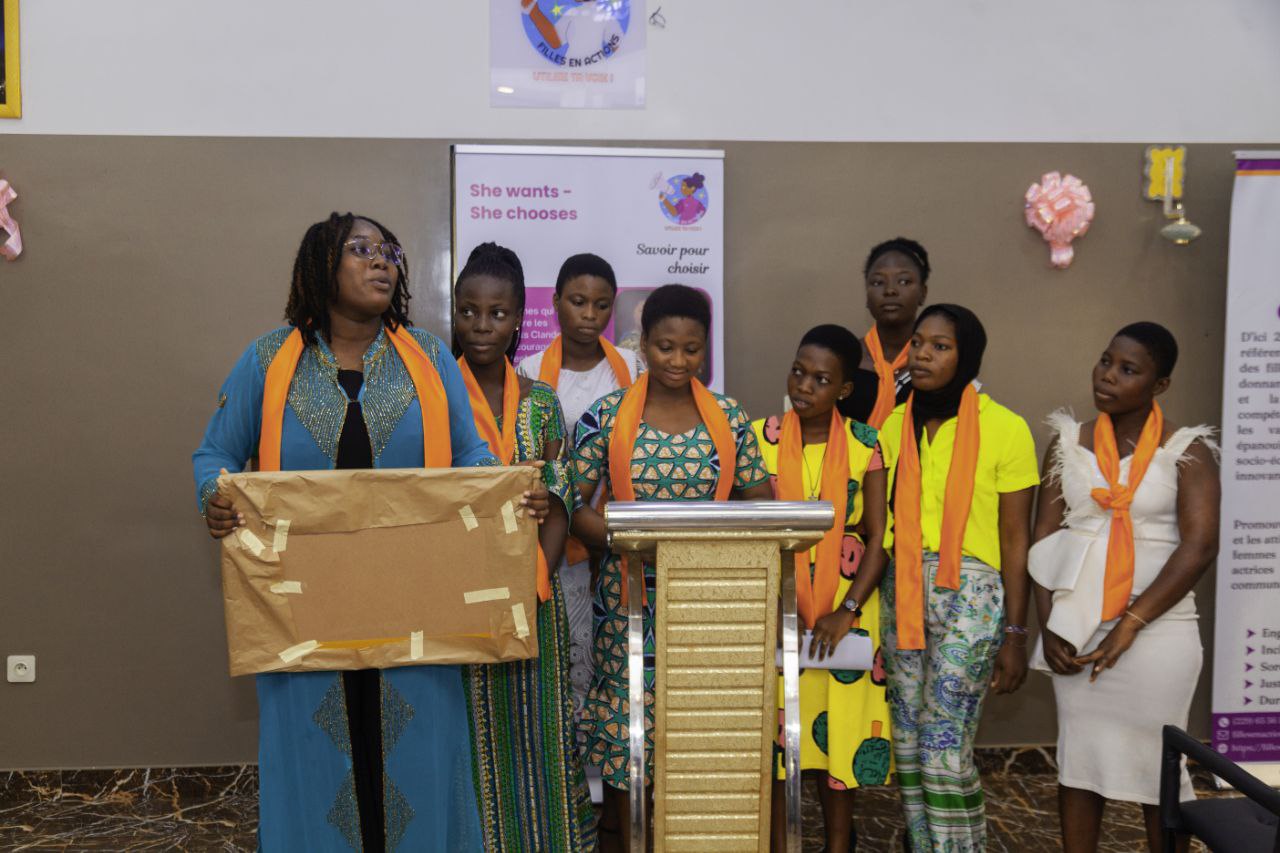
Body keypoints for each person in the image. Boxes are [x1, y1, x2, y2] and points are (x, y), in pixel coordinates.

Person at [192, 213, 549, 852]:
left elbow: (469, 457)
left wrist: (510, 493)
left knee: (418, 755)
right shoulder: (269, 359)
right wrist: (215, 498)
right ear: (321, 264)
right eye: (361, 250)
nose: (381, 261)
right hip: (304, 611)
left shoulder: (428, 356)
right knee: (314, 752)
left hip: (415, 604)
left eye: (388, 251)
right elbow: (214, 455)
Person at [568, 284, 774, 851]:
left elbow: (763, 504)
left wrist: (706, 546)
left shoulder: (729, 417)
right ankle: (626, 838)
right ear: (641, 346)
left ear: (705, 349)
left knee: (697, 731)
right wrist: (627, 539)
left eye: (691, 349)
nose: (678, 361)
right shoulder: (606, 417)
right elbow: (571, 506)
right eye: (665, 347)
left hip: (709, 607)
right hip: (626, 598)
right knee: (628, 734)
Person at [1030, 323, 1219, 853]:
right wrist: (1049, 625)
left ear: (1160, 385)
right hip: (1078, 628)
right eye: (1106, 360)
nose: (1108, 376)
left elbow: (1199, 546)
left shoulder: (1188, 449)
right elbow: (1044, 537)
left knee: (1156, 767)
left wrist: (1132, 623)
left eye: (1128, 370)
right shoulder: (1066, 440)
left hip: (1159, 633)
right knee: (1079, 762)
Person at [876, 304, 1039, 852]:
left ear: (966, 356)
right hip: (902, 589)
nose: (922, 353)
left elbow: (1018, 542)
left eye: (940, 346)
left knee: (945, 744)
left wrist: (1017, 635)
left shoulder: (1007, 428)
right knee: (909, 741)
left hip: (972, 593)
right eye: (918, 342)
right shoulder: (895, 425)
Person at [453, 242, 596, 852]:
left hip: (530, 598)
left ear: (519, 320)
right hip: (451, 601)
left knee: (538, 737)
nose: (482, 327)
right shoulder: (433, 396)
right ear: (455, 312)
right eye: (469, 311)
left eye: (497, 314)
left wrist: (537, 573)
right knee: (464, 740)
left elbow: (559, 498)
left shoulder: (540, 403)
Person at [751, 324, 891, 853]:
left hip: (844, 616)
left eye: (821, 379)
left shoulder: (866, 444)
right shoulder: (760, 437)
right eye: (798, 371)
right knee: (775, 743)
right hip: (777, 609)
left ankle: (838, 846)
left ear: (845, 390)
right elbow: (750, 525)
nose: (803, 386)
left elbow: (879, 536)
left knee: (840, 743)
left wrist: (848, 610)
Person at [516, 252, 642, 752]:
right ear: (556, 303)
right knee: (571, 648)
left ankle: (606, 764)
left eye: (601, 304)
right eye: (577, 301)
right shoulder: (529, 369)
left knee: (612, 653)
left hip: (618, 530)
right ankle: (567, 765)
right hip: (559, 534)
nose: (589, 314)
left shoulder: (631, 367)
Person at [840, 238, 931, 429]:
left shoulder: (937, 362)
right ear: (867, 294)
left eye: (904, 281)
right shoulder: (843, 359)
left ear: (923, 292)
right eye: (878, 282)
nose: (890, 290)